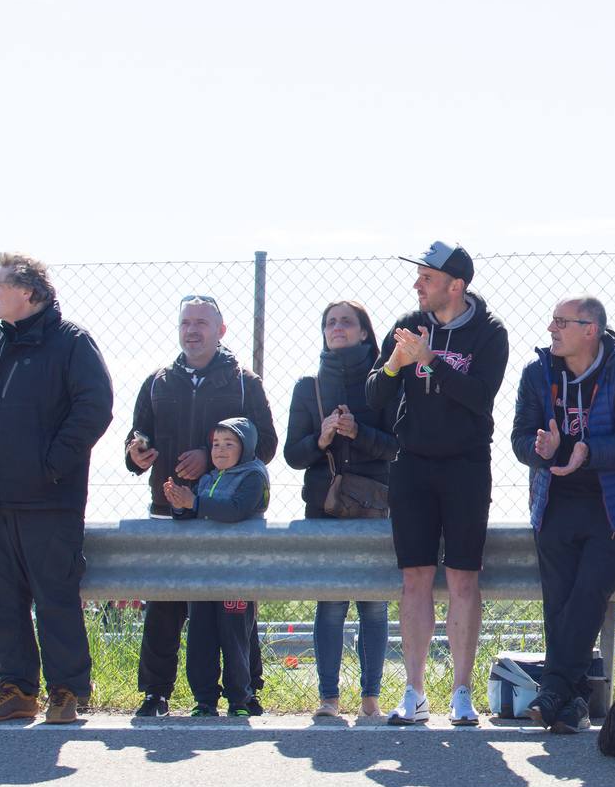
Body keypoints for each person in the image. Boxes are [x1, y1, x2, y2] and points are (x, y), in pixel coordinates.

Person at [0, 253, 113, 724]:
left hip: (48, 499)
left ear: (28, 291)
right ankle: (17, 691)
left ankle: (67, 692)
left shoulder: (71, 343)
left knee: (54, 598)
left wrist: (51, 467)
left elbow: (94, 408)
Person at [366, 241, 509, 726]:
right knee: (415, 578)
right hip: (413, 466)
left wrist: (429, 361)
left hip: (466, 466)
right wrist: (396, 365)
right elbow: (373, 393)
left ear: (456, 285)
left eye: (426, 277)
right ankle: (414, 691)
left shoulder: (490, 332)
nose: (417, 285)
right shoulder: (409, 324)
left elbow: (479, 397)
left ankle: (462, 693)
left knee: (464, 578)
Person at [126, 294, 278, 718]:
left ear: (221, 330)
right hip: (168, 510)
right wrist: (135, 452)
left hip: (224, 518)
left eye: (202, 323)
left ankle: (246, 692)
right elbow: (139, 432)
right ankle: (156, 693)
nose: (192, 330)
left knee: (232, 608)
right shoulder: (158, 380)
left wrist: (210, 457)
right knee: (164, 606)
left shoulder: (244, 381)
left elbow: (265, 445)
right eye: (186, 323)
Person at [511, 296, 615, 733]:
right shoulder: (537, 373)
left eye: (561, 322)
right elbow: (519, 437)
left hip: (613, 506)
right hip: (554, 502)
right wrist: (541, 449)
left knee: (588, 595)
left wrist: (582, 451)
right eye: (552, 320)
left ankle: (553, 688)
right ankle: (571, 704)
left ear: (590, 329)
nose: (551, 328)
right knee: (560, 603)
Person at [284, 300, 398, 718]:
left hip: (374, 506)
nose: (337, 328)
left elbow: (396, 447)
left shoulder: (384, 384)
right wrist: (322, 438)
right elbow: (292, 455)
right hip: (324, 507)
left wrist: (358, 431)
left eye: (346, 322)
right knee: (330, 604)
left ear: (365, 332)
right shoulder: (308, 386)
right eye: (330, 322)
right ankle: (328, 699)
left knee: (373, 603)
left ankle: (371, 699)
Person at [164, 418, 270, 717]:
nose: (220, 450)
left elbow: (235, 510)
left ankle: (241, 699)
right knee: (201, 636)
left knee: (235, 637)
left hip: (237, 572)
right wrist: (178, 503)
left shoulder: (252, 477)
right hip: (203, 571)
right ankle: (205, 700)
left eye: (229, 444)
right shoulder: (208, 479)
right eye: (215, 444)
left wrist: (194, 502)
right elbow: (190, 515)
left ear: (245, 447)